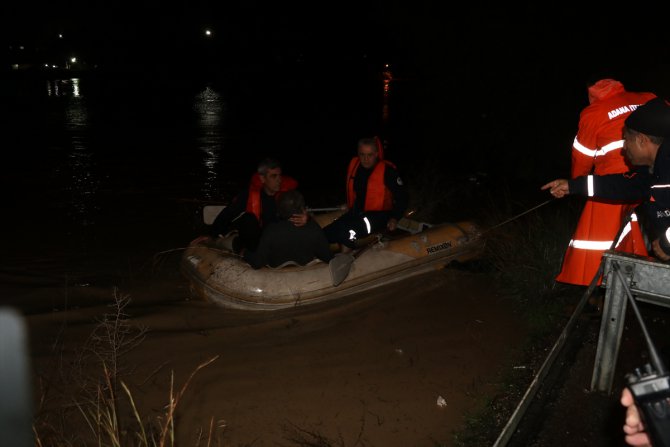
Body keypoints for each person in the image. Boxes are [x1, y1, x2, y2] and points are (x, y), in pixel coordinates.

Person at [542, 97, 670, 263]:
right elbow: (621, 185)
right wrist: (572, 186)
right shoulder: (654, 172)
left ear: (642, 140)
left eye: (626, 140)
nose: (623, 148)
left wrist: (666, 243)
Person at [555, 78, 655, 287]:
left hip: (612, 182)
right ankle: (629, 281)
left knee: (595, 243)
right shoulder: (647, 97)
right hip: (650, 173)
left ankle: (597, 287)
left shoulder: (593, 113)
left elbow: (582, 157)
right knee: (631, 230)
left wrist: (576, 185)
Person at [323, 136, 409, 251]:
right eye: (362, 154)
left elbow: (402, 197)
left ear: (377, 154)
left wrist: (395, 218)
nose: (366, 159)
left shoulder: (388, 172)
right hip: (358, 212)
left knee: (348, 232)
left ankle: (345, 262)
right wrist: (348, 204)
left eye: (370, 155)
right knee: (328, 232)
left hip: (379, 216)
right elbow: (358, 193)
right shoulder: (356, 167)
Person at [205, 157, 305, 252]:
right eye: (274, 176)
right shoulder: (248, 196)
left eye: (280, 175)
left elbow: (300, 212)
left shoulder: (287, 196)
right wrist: (211, 234)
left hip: (278, 238)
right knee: (248, 219)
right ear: (262, 178)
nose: (279, 180)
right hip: (257, 239)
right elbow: (227, 214)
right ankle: (247, 251)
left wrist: (306, 218)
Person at [242, 190, 334, 269]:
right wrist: (311, 221)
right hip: (305, 281)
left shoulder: (271, 230)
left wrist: (244, 252)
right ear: (303, 209)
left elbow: (257, 263)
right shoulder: (312, 229)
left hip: (279, 282)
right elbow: (328, 257)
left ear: (279, 211)